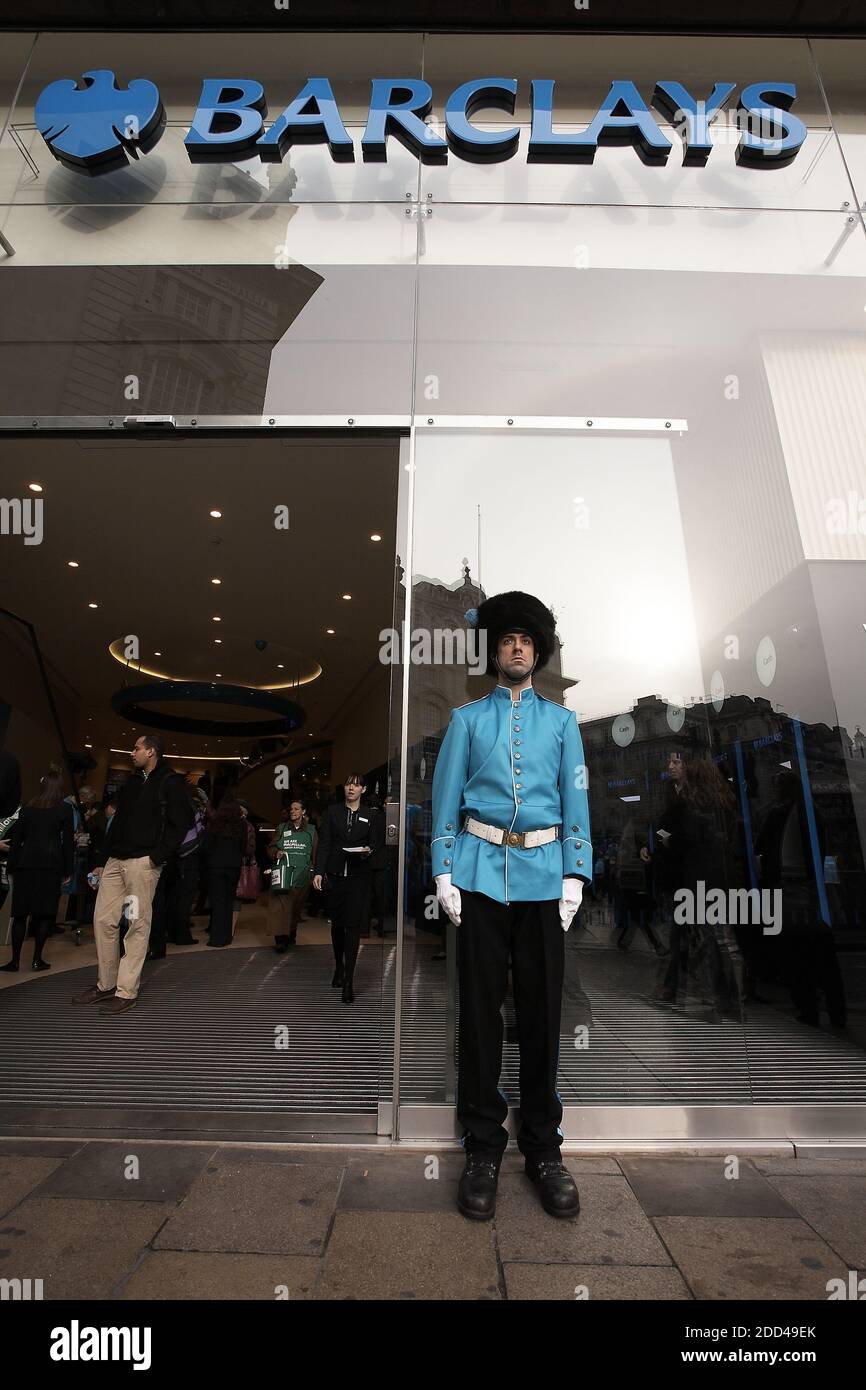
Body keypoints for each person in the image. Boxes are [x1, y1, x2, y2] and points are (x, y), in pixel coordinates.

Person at [432, 591, 592, 1222]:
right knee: (479, 1015)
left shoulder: (565, 724)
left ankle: (544, 1149)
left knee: (541, 1012)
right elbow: (446, 802)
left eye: (525, 640)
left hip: (545, 880)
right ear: (495, 653)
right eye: (506, 640)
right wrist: (443, 869)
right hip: (478, 878)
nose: (517, 647)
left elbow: (575, 802)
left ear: (538, 652)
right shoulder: (468, 720)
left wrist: (576, 871)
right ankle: (482, 1146)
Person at [71, 734, 192, 1015]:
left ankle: (126, 991)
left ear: (151, 751)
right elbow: (118, 822)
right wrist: (102, 861)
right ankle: (106, 984)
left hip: (142, 864)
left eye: (137, 748)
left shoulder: (170, 782)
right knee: (103, 920)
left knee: (136, 925)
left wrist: (156, 857)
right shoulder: (133, 782)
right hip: (115, 861)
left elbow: (182, 822)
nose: (132, 752)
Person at [313, 774, 384, 1004]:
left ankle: (349, 982)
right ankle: (339, 967)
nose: (351, 787)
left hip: (357, 878)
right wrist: (318, 872)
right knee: (337, 925)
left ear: (363, 790)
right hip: (334, 877)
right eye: (348, 783)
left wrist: (368, 851)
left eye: (356, 784)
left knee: (353, 927)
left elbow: (375, 843)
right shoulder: (332, 812)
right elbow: (324, 844)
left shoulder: (370, 815)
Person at [1, 765, 74, 972]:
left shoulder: (27, 808)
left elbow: (17, 841)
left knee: (20, 914)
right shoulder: (64, 809)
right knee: (45, 914)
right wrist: (68, 870)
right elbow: (68, 843)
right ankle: (36, 959)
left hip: (25, 864)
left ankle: (14, 961)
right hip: (51, 866)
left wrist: (12, 866)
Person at [269, 798, 316, 952]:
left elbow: (316, 853)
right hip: (283, 874)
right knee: (280, 907)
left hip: (302, 875)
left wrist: (313, 871)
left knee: (294, 909)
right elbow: (271, 847)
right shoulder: (282, 828)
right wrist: (276, 852)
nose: (293, 811)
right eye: (291, 809)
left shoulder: (311, 830)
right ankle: (280, 939)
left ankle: (291, 934)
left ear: (303, 812)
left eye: (296, 809)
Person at [203, 797, 247, 947]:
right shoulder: (241, 825)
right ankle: (227, 936)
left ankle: (216, 938)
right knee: (229, 902)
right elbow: (243, 847)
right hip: (233, 867)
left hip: (216, 866)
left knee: (217, 903)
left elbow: (207, 846)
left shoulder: (215, 824)